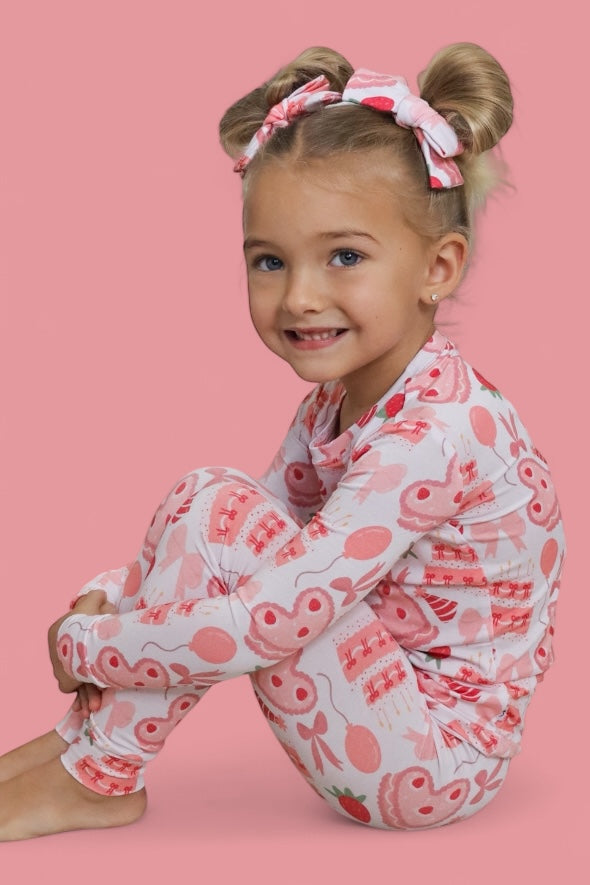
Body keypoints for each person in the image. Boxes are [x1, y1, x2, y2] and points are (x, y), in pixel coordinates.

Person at [0, 43, 565, 840]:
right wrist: (115, 594)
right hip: (377, 702)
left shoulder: (435, 435)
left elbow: (267, 618)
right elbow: (243, 534)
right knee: (213, 499)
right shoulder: (336, 402)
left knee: (220, 510)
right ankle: (85, 749)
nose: (299, 296)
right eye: (270, 261)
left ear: (438, 267)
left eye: (345, 256)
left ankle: (98, 773)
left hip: (434, 763)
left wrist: (90, 643)